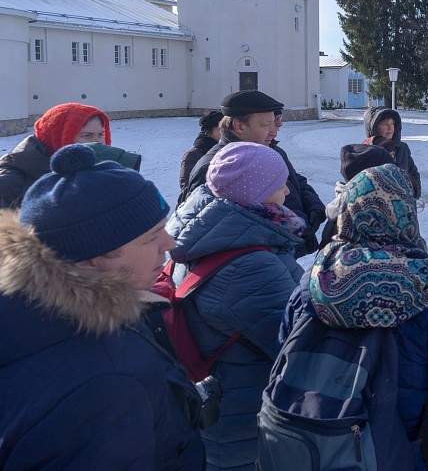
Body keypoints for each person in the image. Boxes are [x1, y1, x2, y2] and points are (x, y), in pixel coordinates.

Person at [277, 163, 428, 469]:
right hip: (417, 456)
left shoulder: (309, 288)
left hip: (321, 449)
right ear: (406, 213)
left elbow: (282, 362)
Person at [0, 144, 204, 470]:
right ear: (93, 256)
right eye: (151, 237)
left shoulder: (31, 311)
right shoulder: (106, 383)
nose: (171, 244)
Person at [168, 141, 306, 471]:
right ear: (254, 193)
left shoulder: (203, 232)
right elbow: (299, 345)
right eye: (278, 184)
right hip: (244, 423)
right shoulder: (249, 264)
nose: (287, 190)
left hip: (218, 410)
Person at [180, 91, 326, 255]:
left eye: (274, 123)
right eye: (265, 125)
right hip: (257, 261)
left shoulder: (271, 150)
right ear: (239, 126)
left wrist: (314, 208)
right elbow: (210, 228)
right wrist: (298, 221)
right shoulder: (217, 167)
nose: (274, 131)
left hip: (287, 250)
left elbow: (296, 180)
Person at [0, 102, 110, 208]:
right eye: (87, 135)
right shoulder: (10, 182)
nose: (98, 142)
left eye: (100, 134)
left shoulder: (101, 170)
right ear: (58, 137)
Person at [364, 106, 422, 197]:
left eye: (392, 123)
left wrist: (414, 195)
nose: (390, 128)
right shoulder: (366, 151)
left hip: (402, 205)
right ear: (374, 127)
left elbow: (414, 173)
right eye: (385, 124)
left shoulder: (402, 148)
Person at [177, 109, 224, 203]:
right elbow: (187, 188)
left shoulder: (227, 150)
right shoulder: (192, 155)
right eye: (221, 129)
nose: (225, 133)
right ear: (209, 131)